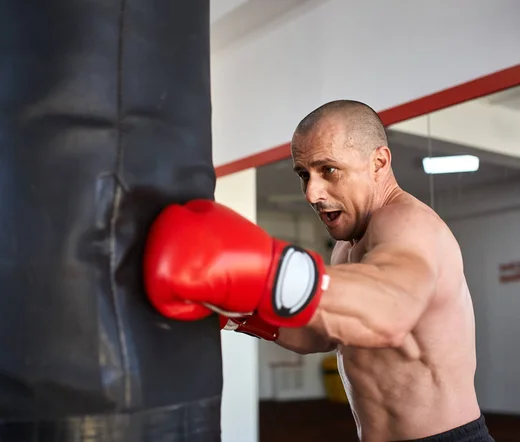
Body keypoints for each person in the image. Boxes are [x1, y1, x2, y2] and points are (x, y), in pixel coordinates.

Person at [143, 100, 495, 442]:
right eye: (304, 174)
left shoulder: (406, 222)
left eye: (328, 170)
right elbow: (320, 336)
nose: (312, 193)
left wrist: (265, 271)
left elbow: (391, 310)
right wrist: (235, 311)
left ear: (379, 162)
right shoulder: (347, 246)